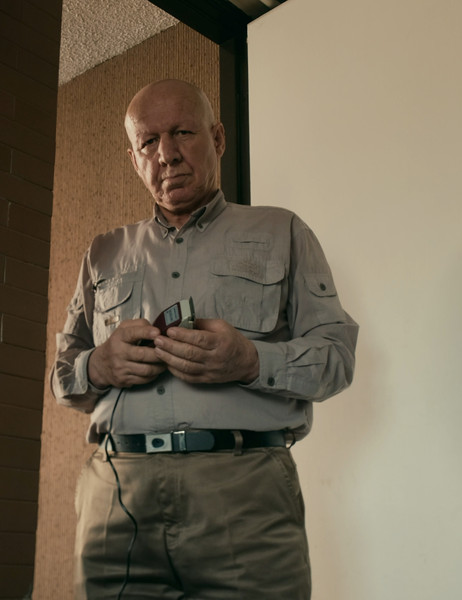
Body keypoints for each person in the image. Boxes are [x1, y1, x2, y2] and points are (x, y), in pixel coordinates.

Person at [52, 79, 358, 599]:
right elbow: (63, 376)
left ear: (217, 138)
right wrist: (97, 366)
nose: (166, 154)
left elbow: (337, 359)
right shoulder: (102, 252)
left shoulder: (283, 231)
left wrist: (251, 361)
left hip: (244, 493)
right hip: (116, 497)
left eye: (182, 133)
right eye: (148, 142)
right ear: (134, 159)